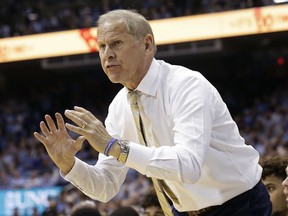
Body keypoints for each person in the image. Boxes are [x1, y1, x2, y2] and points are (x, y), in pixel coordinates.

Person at [34, 9, 272, 216]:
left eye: (116, 43)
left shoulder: (186, 85)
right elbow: (106, 186)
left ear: (147, 44)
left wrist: (115, 147)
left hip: (240, 205)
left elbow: (188, 166)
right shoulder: (119, 106)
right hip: (183, 211)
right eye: (102, 47)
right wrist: (69, 165)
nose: (107, 54)